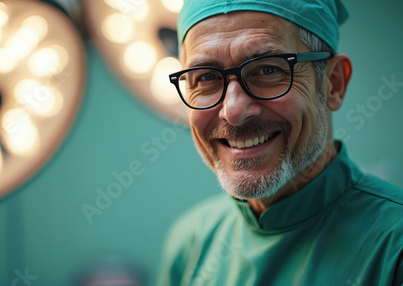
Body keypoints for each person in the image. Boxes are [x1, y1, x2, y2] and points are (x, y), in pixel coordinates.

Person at [157, 0, 403, 285]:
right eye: (207, 77)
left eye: (267, 70)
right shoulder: (190, 243)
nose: (233, 111)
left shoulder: (393, 247)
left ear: (333, 83)